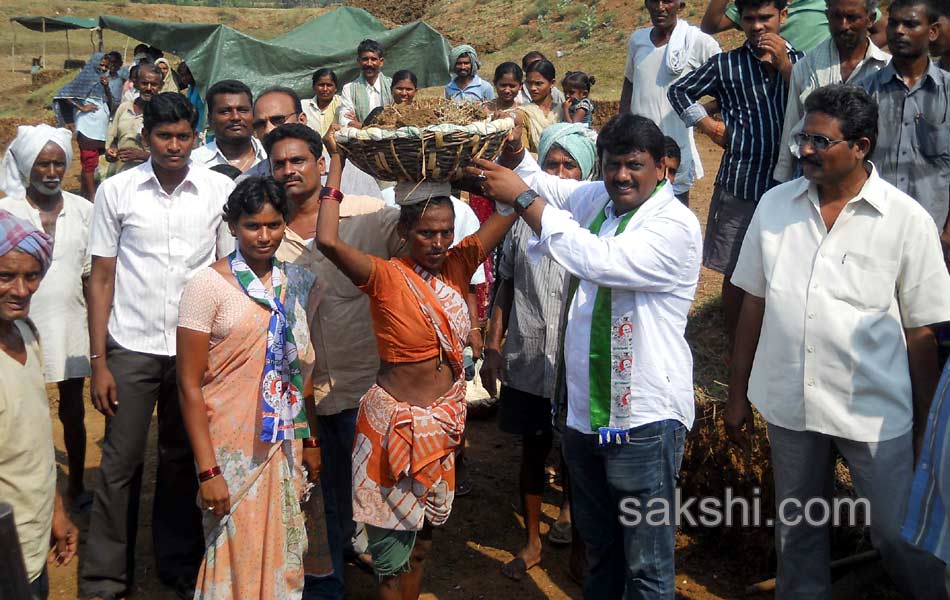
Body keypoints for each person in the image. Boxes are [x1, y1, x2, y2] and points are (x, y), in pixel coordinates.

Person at [725, 83, 950, 599]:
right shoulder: (775, 206)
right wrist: (737, 395)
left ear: (861, 147)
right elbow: (752, 303)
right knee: (799, 537)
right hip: (791, 405)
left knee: (898, 536)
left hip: (873, 413)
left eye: (820, 142)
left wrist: (924, 426)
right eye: (803, 138)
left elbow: (921, 333)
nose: (805, 150)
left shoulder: (904, 220)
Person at [471, 112, 701, 599]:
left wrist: (524, 198)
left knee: (647, 566)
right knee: (600, 551)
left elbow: (598, 260)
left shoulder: (673, 225)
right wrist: (515, 153)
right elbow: (550, 190)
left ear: (662, 167)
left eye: (634, 165)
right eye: (613, 165)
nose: (622, 176)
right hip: (586, 418)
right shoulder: (603, 199)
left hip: (643, 420)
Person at [316, 131, 519, 600]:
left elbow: (510, 211)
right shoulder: (384, 275)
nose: (439, 241)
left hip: (442, 425)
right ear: (405, 232)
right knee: (390, 557)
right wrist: (337, 162)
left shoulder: (458, 264)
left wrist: (504, 161)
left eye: (447, 232)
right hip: (393, 429)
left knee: (423, 543)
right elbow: (326, 239)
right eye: (427, 233)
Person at [80, 92, 236, 600]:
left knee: (179, 457)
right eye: (163, 136)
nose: (173, 146)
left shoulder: (217, 190)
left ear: (197, 137)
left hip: (194, 349)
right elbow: (101, 277)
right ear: (145, 138)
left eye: (183, 136)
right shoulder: (117, 191)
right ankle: (105, 577)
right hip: (130, 344)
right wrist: (99, 360)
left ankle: (178, 563)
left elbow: (226, 273)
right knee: (121, 463)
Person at [265, 122, 401, 597]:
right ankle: (329, 582)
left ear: (321, 164)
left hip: (364, 385)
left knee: (375, 494)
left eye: (298, 160)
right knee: (315, 494)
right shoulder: (265, 233)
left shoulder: (368, 217)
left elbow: (418, 239)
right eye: (279, 163)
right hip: (299, 398)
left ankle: (376, 564)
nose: (288, 171)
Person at [177, 176, 321, 599]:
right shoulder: (206, 286)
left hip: (285, 446)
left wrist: (311, 439)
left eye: (274, 225)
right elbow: (188, 384)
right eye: (252, 226)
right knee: (230, 550)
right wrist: (209, 471)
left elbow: (304, 371)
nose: (264, 236)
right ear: (233, 226)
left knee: (284, 554)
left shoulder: (297, 283)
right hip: (230, 449)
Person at [480, 123, 597, 582]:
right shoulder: (516, 223)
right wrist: (493, 345)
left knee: (577, 451)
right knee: (532, 449)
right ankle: (531, 541)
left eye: (571, 165)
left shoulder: (592, 223)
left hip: (574, 360)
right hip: (529, 353)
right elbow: (505, 285)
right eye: (552, 164)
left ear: (586, 171)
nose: (561, 172)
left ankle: (571, 521)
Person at [668, 0, 803, 350]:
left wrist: (787, 68)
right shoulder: (727, 64)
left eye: (765, 18)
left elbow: (814, 104)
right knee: (735, 270)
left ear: (782, 17)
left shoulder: (804, 62)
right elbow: (678, 90)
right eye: (749, 19)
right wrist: (709, 125)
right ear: (740, 21)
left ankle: (775, 346)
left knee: (786, 271)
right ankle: (736, 347)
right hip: (741, 182)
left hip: (791, 185)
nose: (757, 27)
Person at [0, 125, 93, 510]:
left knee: (73, 409)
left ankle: (76, 485)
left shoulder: (85, 210)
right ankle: (26, 488)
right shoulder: (7, 212)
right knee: (26, 408)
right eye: (43, 164)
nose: (52, 172)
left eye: (58, 164)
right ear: (27, 167)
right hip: (21, 325)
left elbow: (91, 275)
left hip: (71, 322)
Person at [0, 209, 79, 600]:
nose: (20, 289)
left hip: (31, 546)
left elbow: (35, 444)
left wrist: (57, 511)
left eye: (31, 276)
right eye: (5, 276)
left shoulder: (26, 333)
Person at [860, 0, 950, 245]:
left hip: (934, 232)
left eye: (910, 24)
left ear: (932, 32)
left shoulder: (947, 90)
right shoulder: (865, 91)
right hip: (875, 230)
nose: (899, 31)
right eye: (894, 23)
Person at [774, 0, 890, 182]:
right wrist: (782, 180)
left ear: (870, 19)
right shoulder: (806, 66)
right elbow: (792, 124)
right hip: (810, 176)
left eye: (852, 18)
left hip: (866, 180)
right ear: (827, 16)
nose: (843, 25)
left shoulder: (886, 70)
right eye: (837, 16)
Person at [621, 0, 721, 205]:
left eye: (667, 1)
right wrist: (622, 127)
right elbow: (629, 84)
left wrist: (698, 112)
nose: (660, 7)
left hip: (676, 148)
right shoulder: (637, 40)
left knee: (674, 206)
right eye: (653, 1)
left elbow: (730, 85)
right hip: (638, 144)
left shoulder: (698, 42)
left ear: (681, 5)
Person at [243, 87, 385, 201]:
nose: (268, 130)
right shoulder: (246, 182)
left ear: (302, 119)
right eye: (260, 124)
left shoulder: (351, 173)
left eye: (278, 120)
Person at [51, 52, 112, 200]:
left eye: (106, 66)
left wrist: (106, 87)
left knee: (96, 162)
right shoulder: (85, 77)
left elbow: (110, 100)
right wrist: (81, 108)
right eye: (101, 65)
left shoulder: (102, 80)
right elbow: (64, 94)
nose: (103, 68)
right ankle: (91, 197)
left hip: (101, 128)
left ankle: (85, 193)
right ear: (94, 63)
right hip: (88, 127)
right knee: (89, 163)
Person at [192, 80, 267, 173]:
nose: (236, 117)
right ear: (210, 119)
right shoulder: (194, 163)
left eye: (243, 110)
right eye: (225, 111)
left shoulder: (271, 155)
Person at [106, 63, 162, 172]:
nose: (149, 88)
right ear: (136, 83)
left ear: (160, 86)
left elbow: (167, 155)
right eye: (144, 83)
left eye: (154, 84)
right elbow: (113, 138)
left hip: (149, 174)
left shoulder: (162, 113)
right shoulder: (124, 108)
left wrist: (142, 155)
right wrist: (111, 151)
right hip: (122, 172)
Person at [337, 39, 393, 128]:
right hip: (361, 138)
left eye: (373, 59)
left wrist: (358, 124)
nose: (369, 64)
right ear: (359, 62)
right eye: (365, 59)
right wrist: (366, 128)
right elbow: (344, 119)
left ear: (381, 62)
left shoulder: (392, 86)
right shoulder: (349, 89)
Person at [518, 59, 563, 153]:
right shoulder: (522, 113)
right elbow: (524, 152)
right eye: (529, 83)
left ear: (552, 83)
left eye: (538, 84)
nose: (532, 88)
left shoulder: (563, 111)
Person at [303, 68, 342, 137]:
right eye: (321, 85)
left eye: (329, 85)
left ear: (335, 88)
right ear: (314, 87)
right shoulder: (303, 106)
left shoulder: (342, 105)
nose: (325, 89)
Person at [177, 62, 206, 136]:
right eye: (181, 76)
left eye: (186, 75)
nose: (183, 78)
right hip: (194, 128)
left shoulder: (203, 89)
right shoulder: (190, 89)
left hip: (204, 129)